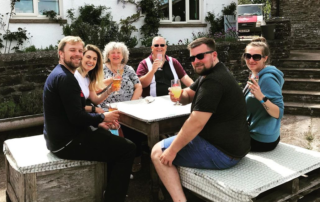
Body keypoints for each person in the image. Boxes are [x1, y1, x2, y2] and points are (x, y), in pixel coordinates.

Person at [151, 37, 251, 202]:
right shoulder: (211, 73)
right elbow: (188, 95)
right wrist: (178, 95)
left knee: (158, 152)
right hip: (235, 146)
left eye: (200, 56)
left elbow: (196, 123)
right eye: (192, 58)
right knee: (173, 142)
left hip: (224, 152)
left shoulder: (214, 81)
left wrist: (172, 151)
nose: (196, 61)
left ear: (214, 54)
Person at [43, 36, 136, 202]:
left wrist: (100, 122)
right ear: (61, 53)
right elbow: (76, 117)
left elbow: (74, 113)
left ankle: (110, 189)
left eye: (80, 50)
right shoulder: (66, 78)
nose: (77, 54)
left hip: (61, 137)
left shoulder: (62, 74)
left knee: (110, 138)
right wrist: (102, 116)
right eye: (72, 50)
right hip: (67, 142)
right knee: (128, 149)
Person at [100, 41, 144, 173]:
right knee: (115, 135)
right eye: (112, 52)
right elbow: (96, 86)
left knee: (137, 128)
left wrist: (131, 103)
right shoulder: (101, 69)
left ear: (123, 55)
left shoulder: (128, 69)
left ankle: (136, 158)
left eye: (118, 52)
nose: (115, 55)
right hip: (109, 109)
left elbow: (138, 86)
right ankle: (118, 163)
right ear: (108, 55)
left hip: (129, 108)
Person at [243, 37, 284, 152]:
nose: (251, 60)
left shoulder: (267, 79)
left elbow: (278, 113)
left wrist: (261, 97)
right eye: (248, 56)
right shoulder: (255, 74)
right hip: (259, 133)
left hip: (261, 140)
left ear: (265, 58)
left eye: (256, 57)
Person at [74, 44, 114, 114]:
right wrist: (94, 109)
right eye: (88, 57)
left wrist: (110, 90)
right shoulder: (74, 76)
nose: (91, 61)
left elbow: (95, 100)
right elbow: (74, 106)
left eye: (94, 59)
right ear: (81, 57)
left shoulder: (88, 78)